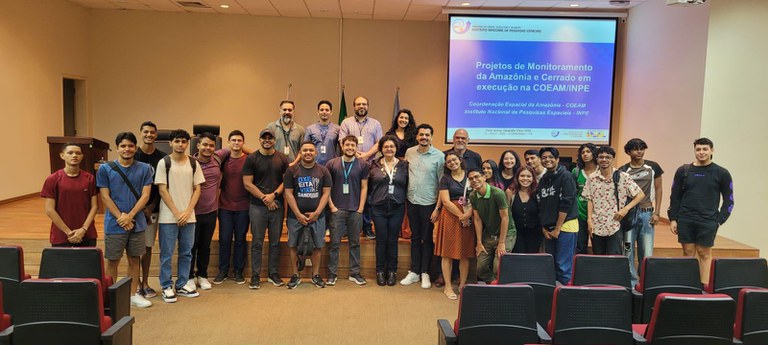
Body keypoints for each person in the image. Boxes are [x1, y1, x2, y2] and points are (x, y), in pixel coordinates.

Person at [96, 132, 153, 308]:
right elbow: (105, 197)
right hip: (115, 223)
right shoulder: (106, 169)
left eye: (130, 146)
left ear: (135, 148)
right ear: (117, 148)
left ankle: (132, 294)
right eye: (123, 146)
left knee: (134, 259)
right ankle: (111, 296)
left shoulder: (145, 168)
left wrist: (130, 215)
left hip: (137, 223)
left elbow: (145, 196)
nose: (127, 149)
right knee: (112, 260)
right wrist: (121, 217)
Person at [668, 138, 734, 285]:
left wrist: (719, 220)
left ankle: (704, 287)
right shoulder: (683, 171)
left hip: (708, 220)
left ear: (712, 151)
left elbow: (729, 200)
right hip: (685, 218)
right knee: (688, 253)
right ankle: (688, 286)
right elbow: (675, 196)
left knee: (704, 254)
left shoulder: (722, 173)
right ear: (694, 151)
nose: (701, 152)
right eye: (698, 149)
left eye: (705, 149)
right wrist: (673, 218)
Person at [155, 129, 204, 303]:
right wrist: (177, 213)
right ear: (170, 143)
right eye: (177, 141)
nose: (181, 144)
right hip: (169, 217)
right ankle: (166, 286)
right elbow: (162, 189)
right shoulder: (164, 163)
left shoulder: (193, 163)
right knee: (167, 253)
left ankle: (182, 283)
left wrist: (188, 211)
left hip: (189, 217)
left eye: (184, 141)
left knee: (186, 252)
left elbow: (198, 188)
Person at [242, 129, 289, 289]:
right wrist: (265, 198)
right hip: (257, 207)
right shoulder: (252, 158)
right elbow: (247, 183)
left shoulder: (282, 158)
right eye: (264, 138)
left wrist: (273, 196)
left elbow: (286, 182)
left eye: (270, 138)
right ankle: (255, 275)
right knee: (257, 242)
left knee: (275, 242)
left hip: (277, 205)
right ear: (259, 139)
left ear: (274, 140)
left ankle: (273, 274)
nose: (267, 140)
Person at [283, 141, 333, 289]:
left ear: (316, 153)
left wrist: (317, 212)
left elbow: (326, 193)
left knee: (318, 246)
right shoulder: (291, 171)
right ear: (300, 153)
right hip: (295, 217)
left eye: (311, 150)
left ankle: (316, 275)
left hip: (318, 216)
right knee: (292, 245)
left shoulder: (323, 171)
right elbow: (288, 193)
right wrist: (298, 214)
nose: (308, 153)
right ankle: (295, 275)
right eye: (305, 150)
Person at [400, 124, 444, 288]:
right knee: (415, 238)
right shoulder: (409, 152)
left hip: (430, 204)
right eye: (421, 135)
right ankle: (414, 272)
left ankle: (425, 272)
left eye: (427, 135)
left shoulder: (439, 156)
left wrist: (437, 208)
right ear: (417, 137)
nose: (424, 137)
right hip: (412, 201)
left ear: (432, 137)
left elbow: (442, 184)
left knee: (427, 239)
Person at [583, 146, 644, 255]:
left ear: (613, 159)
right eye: (601, 157)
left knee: (613, 259)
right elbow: (590, 199)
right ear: (596, 159)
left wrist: (625, 209)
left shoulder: (622, 176)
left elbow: (640, 195)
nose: (604, 160)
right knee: (598, 257)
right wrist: (589, 220)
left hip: (615, 224)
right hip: (597, 224)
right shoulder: (592, 178)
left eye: (608, 157)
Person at [325, 135, 369, 286]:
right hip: (337, 210)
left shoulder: (362, 165)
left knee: (355, 243)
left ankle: (355, 273)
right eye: (347, 145)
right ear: (342, 146)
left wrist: (361, 208)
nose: (350, 148)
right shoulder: (332, 164)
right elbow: (326, 188)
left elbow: (364, 187)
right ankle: (332, 273)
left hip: (355, 210)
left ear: (357, 147)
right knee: (334, 244)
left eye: (353, 145)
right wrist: (332, 207)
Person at [621, 138, 664, 286]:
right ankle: (631, 282)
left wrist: (657, 212)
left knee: (646, 251)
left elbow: (658, 189)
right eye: (635, 149)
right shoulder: (623, 170)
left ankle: (645, 282)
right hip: (629, 215)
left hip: (647, 213)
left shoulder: (653, 167)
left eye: (642, 148)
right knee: (628, 249)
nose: (639, 151)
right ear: (628, 152)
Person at [339, 96, 383, 240]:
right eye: (358, 104)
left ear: (368, 106)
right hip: (350, 165)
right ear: (354, 106)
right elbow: (342, 142)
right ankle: (347, 228)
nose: (361, 106)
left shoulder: (375, 124)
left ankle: (367, 227)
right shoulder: (346, 122)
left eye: (364, 104)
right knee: (349, 196)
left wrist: (365, 155)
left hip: (370, 165)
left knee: (369, 197)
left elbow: (379, 144)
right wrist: (356, 155)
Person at [368, 135, 408, 286]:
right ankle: (379, 271)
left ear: (396, 148)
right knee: (381, 240)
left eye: (392, 146)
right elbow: (369, 186)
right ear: (381, 149)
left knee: (393, 241)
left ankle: (392, 271)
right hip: (378, 208)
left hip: (397, 207)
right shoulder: (373, 165)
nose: (389, 149)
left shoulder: (404, 165)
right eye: (386, 147)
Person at [41, 143, 98, 247]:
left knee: (87, 263)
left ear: (82, 156)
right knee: (63, 263)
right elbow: (49, 210)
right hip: (61, 235)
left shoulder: (90, 178)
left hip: (87, 233)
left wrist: (83, 229)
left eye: (78, 153)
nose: (74, 155)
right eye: (70, 153)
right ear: (62, 155)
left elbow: (94, 206)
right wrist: (69, 232)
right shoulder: (52, 179)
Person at [435, 152, 474, 299]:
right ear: (446, 164)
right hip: (451, 215)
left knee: (465, 253)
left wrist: (468, 214)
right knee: (447, 253)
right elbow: (445, 201)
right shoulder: (445, 178)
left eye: (454, 160)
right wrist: (461, 216)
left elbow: (474, 196)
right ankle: (448, 287)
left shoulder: (470, 176)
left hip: (468, 213)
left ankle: (463, 285)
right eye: (449, 161)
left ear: (460, 160)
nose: (452, 163)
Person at [214, 130, 250, 287]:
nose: (236, 143)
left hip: (244, 207)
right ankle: (223, 271)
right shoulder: (223, 159)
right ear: (228, 143)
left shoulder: (249, 160)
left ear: (243, 143)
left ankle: (238, 271)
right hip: (225, 207)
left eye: (239, 140)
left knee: (241, 240)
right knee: (224, 239)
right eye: (233, 140)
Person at [537, 147, 578, 285]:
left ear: (557, 159)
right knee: (551, 263)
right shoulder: (544, 179)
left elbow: (567, 202)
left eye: (550, 157)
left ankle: (566, 298)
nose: (547, 160)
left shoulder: (566, 176)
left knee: (563, 265)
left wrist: (558, 228)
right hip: (549, 228)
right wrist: (544, 228)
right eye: (543, 157)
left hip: (565, 226)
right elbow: (541, 205)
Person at [134, 121, 165, 298]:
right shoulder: (133, 154)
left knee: (147, 247)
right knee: (134, 248)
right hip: (133, 209)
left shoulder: (161, 157)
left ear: (156, 135)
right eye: (145, 132)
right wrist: (138, 208)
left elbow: (161, 185)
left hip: (152, 209)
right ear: (140, 133)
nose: (149, 135)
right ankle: (136, 283)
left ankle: (145, 282)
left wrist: (151, 206)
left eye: (152, 132)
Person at [468, 168, 515, 283]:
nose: (474, 180)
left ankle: (499, 287)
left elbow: (505, 218)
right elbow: (477, 219)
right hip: (489, 234)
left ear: (484, 177)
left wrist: (502, 243)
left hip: (506, 234)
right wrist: (479, 242)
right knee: (480, 268)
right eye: (471, 178)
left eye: (477, 177)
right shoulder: (473, 196)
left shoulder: (497, 193)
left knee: (497, 267)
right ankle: (494, 284)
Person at [188, 132, 222, 291]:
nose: (208, 148)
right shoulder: (189, 162)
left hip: (211, 212)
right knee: (191, 246)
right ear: (198, 145)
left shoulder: (217, 159)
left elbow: (236, 145)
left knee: (205, 246)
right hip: (192, 212)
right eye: (205, 144)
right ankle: (188, 276)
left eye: (211, 145)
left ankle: (202, 275)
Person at [506, 166, 542, 253]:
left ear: (533, 178)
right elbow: (506, 214)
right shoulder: (511, 192)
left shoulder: (538, 192)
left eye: (528, 176)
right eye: (522, 176)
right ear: (517, 177)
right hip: (516, 235)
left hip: (536, 234)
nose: (525, 178)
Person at [572, 143, 597, 255]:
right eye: (583, 152)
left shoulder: (601, 170)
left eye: (588, 151)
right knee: (580, 246)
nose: (585, 154)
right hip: (580, 212)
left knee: (597, 246)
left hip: (597, 214)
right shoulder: (576, 172)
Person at [266, 100, 305, 164]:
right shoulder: (271, 127)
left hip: (294, 167)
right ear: (280, 111)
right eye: (284, 110)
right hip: (275, 166)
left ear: (293, 112)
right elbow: (267, 148)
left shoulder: (300, 130)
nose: (287, 112)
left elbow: (301, 151)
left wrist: (293, 164)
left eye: (290, 110)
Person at [304, 100, 340, 166]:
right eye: (322, 110)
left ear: (331, 112)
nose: (324, 112)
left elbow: (341, 147)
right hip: (314, 164)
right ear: (318, 112)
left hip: (332, 165)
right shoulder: (310, 129)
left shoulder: (337, 128)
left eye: (327, 110)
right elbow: (305, 148)